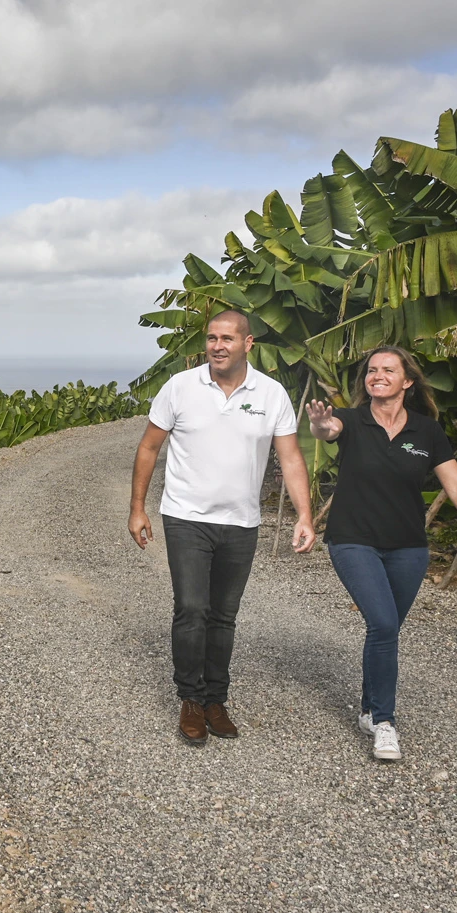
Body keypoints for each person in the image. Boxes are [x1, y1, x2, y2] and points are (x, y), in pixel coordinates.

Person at [304, 345, 457, 762]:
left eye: (388, 370)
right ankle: (384, 722)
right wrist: (321, 423)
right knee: (382, 623)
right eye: (372, 370)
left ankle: (366, 708)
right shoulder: (351, 419)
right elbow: (327, 432)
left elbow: (456, 485)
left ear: (407, 381)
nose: (377, 375)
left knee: (386, 630)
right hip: (353, 539)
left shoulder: (427, 431)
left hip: (409, 547)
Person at [130, 310, 316, 746]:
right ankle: (190, 699)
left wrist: (305, 515)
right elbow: (148, 447)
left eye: (227, 338)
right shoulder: (180, 387)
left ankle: (216, 699)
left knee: (223, 616)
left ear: (247, 344)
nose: (217, 345)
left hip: (241, 523)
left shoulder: (271, 394)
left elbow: (290, 458)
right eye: (212, 338)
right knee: (192, 609)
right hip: (186, 518)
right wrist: (137, 508)